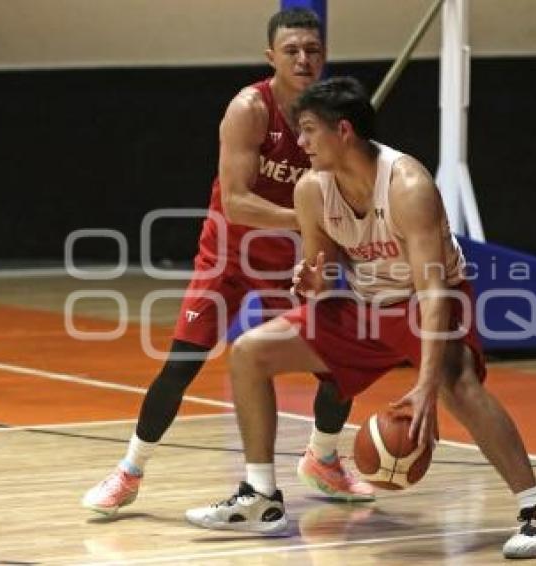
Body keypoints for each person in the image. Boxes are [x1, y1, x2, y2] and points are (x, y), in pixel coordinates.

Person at [184, 76, 536, 559]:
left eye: (307, 131)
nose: (299, 143)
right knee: (248, 353)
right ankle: (261, 497)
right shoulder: (310, 191)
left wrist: (426, 385)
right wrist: (313, 281)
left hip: (424, 300)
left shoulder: (408, 185)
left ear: (343, 131)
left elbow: (434, 293)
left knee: (458, 385)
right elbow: (324, 268)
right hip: (366, 306)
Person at [81, 9, 374, 516]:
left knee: (338, 362)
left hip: (291, 260)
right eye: (292, 50)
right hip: (229, 256)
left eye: (313, 50)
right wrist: (307, 220)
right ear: (271, 57)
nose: (304, 58)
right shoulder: (249, 109)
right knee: (181, 365)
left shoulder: (331, 119)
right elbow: (237, 202)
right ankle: (129, 471)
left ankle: (324, 458)